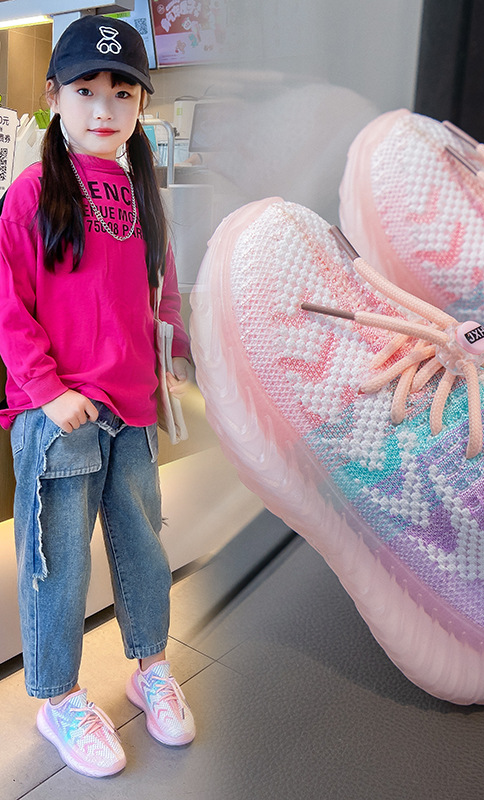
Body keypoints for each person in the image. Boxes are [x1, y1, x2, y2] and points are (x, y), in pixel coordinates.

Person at [0, 16, 195, 778]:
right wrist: (47, 392)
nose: (104, 108)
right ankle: (59, 698)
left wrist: (171, 354)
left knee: (143, 546)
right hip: (60, 418)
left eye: (122, 93)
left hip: (133, 409)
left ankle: (151, 667)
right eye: (86, 90)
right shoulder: (31, 192)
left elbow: (159, 286)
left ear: (141, 104)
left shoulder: (141, 191)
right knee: (59, 563)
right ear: (54, 96)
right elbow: (9, 304)